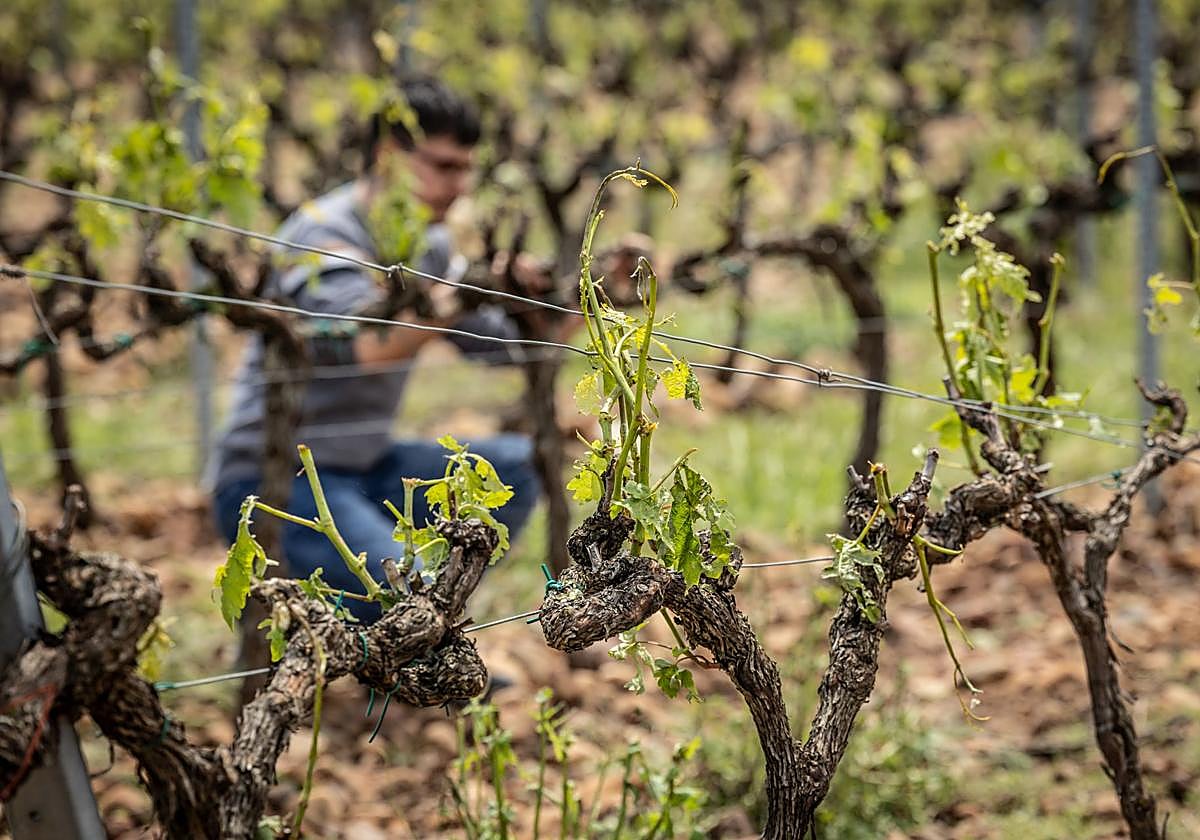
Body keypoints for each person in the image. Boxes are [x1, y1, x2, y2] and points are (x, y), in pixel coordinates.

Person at [209, 76, 541, 621]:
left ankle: (420, 624)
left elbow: (500, 348)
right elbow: (365, 347)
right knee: (411, 594)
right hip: (272, 485)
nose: (460, 187)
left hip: (366, 466)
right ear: (389, 156)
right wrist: (461, 292)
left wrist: (573, 299)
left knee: (518, 468)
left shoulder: (427, 245)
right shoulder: (321, 234)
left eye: (467, 169)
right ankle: (395, 630)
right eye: (444, 166)